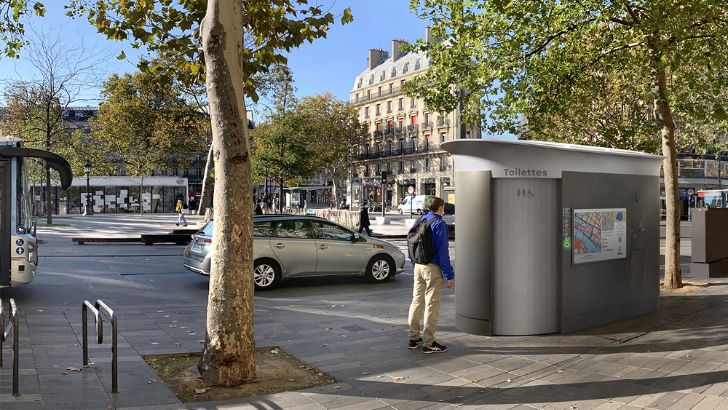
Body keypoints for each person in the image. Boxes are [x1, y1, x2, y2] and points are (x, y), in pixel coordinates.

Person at [408, 196, 454, 353]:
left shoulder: (420, 219)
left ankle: (414, 339)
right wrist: (449, 274)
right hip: (432, 268)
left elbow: (412, 241)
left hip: (418, 266)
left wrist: (415, 263)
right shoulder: (439, 223)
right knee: (432, 304)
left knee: (416, 301)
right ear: (440, 208)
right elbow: (443, 252)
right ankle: (429, 343)